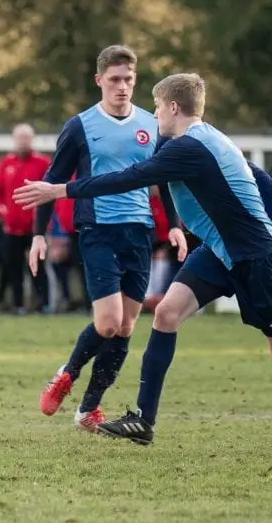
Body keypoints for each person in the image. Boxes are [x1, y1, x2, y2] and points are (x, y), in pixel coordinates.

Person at [15, 73, 272, 451]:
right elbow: (258, 176)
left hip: (259, 259)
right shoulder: (205, 136)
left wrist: (61, 190)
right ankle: (143, 420)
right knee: (166, 314)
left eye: (159, 106)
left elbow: (134, 177)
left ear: (174, 107)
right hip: (219, 250)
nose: (155, 113)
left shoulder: (189, 149)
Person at [29, 44, 188, 434]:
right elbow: (52, 184)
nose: (122, 87)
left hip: (140, 234)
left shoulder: (152, 125)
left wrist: (174, 224)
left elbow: (161, 177)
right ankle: (66, 374)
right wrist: (38, 235)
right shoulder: (80, 126)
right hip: (97, 232)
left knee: (127, 327)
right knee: (108, 322)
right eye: (114, 80)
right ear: (99, 80)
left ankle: (89, 408)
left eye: (128, 80)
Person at [0, 124, 51, 314]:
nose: (22, 142)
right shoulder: (6, 163)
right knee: (13, 267)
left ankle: (43, 304)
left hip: (35, 228)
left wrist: (43, 219)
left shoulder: (42, 162)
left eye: (26, 138)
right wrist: (3, 212)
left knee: (38, 268)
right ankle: (18, 305)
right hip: (11, 228)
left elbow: (51, 191)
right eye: (19, 138)